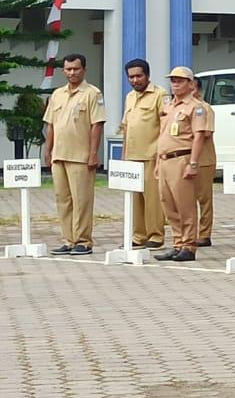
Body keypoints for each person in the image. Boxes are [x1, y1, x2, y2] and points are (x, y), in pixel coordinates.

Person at [42, 54, 106, 255]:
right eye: (68, 69)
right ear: (64, 71)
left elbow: (97, 125)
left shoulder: (92, 93)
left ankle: (83, 240)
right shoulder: (57, 94)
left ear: (84, 70)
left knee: (82, 200)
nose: (72, 73)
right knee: (63, 199)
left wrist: (93, 153)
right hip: (59, 155)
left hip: (81, 156)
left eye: (76, 69)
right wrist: (48, 149)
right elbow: (51, 124)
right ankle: (68, 239)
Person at [153, 67, 211, 263]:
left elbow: (199, 137)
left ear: (190, 83)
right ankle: (177, 242)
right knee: (168, 204)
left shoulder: (195, 107)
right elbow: (162, 135)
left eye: (179, 80)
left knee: (184, 205)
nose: (175, 84)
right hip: (165, 159)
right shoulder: (169, 106)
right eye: (173, 80)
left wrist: (193, 163)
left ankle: (188, 245)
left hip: (182, 158)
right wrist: (156, 163)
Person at [120, 59, 168, 250]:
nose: (135, 80)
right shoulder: (130, 97)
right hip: (132, 155)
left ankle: (155, 235)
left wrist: (161, 153)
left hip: (151, 155)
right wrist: (124, 155)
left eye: (139, 76)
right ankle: (138, 235)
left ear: (147, 75)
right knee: (135, 199)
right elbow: (126, 127)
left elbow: (165, 126)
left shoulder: (160, 95)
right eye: (131, 77)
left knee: (153, 200)